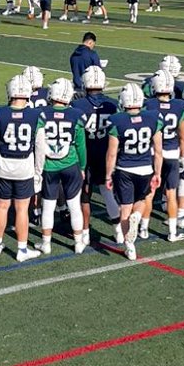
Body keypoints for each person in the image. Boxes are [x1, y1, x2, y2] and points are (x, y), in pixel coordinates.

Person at [0, 74, 46, 261]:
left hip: (3, 165)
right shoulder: (36, 115)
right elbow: (40, 147)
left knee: (1, 205)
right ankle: (21, 249)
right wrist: (38, 172)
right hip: (24, 166)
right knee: (22, 209)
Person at [105, 84, 161, 261]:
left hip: (124, 168)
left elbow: (112, 152)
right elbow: (158, 151)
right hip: (145, 167)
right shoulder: (152, 118)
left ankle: (130, 247)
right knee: (141, 201)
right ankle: (137, 216)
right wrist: (157, 173)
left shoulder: (117, 120)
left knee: (124, 209)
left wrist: (108, 174)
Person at [72, 65, 119, 248]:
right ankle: (118, 231)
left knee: (84, 196)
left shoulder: (78, 105)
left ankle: (85, 233)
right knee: (107, 192)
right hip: (106, 154)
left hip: (85, 155)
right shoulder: (112, 104)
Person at [38, 78, 87, 254]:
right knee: (74, 205)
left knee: (49, 205)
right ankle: (78, 242)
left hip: (49, 166)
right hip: (71, 164)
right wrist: (82, 166)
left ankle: (46, 244)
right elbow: (81, 145)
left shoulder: (42, 114)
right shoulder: (77, 114)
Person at [143, 66, 184, 242]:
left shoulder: (148, 105)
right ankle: (172, 232)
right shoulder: (180, 106)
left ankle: (144, 228)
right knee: (171, 193)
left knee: (150, 192)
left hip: (153, 153)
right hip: (172, 153)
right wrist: (183, 156)